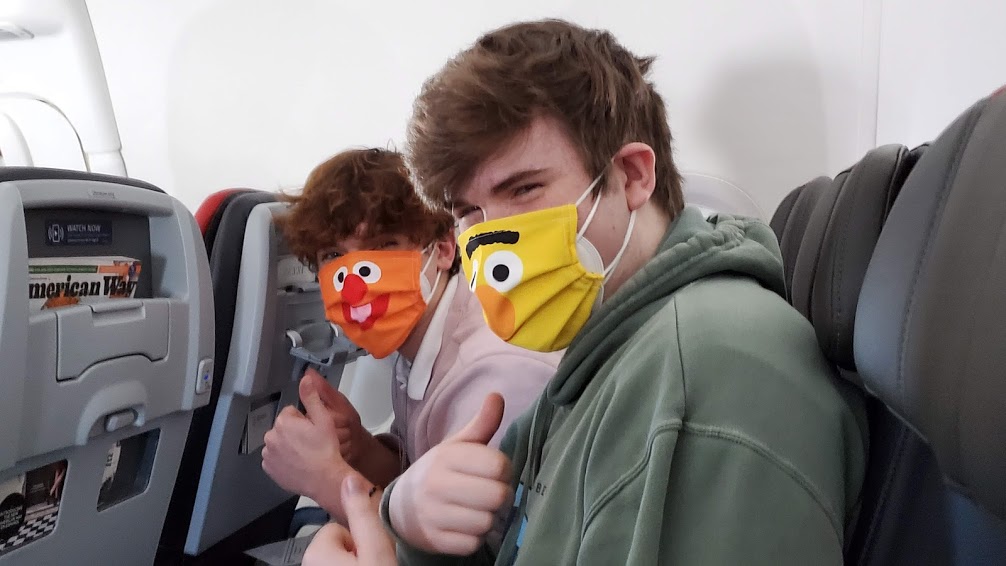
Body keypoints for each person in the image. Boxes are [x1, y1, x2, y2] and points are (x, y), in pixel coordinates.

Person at [324, 18, 867, 565]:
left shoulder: (709, 379)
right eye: (469, 211)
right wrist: (409, 521)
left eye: (524, 189)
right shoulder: (602, 348)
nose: (490, 239)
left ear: (632, 176)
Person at [261, 148, 561, 525]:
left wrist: (325, 480)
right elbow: (414, 482)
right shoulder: (417, 346)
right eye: (333, 254)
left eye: (383, 245)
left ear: (443, 249)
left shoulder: (494, 372)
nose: (355, 278)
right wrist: (360, 446)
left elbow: (462, 544)